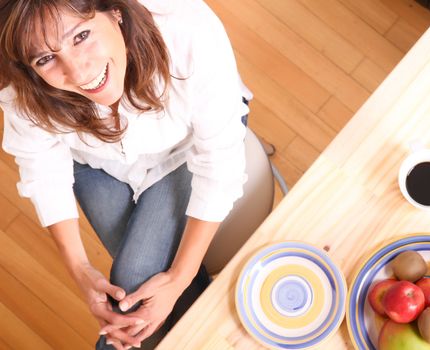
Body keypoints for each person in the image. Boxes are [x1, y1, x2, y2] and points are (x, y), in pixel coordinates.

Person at [0, 0, 250, 349]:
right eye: (45, 58)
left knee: (132, 280)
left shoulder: (187, 30)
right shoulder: (22, 87)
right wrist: (80, 271)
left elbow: (219, 165)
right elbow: (42, 169)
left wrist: (181, 276)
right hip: (96, 160)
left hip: (185, 149)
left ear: (114, 10)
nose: (78, 72)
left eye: (81, 35)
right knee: (142, 283)